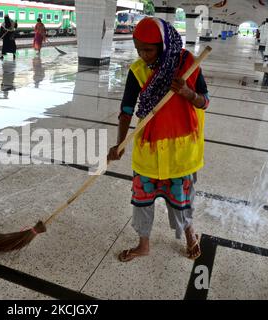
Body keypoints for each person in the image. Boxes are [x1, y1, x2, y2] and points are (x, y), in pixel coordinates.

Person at [107, 17, 210, 262]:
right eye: (138, 48)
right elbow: (126, 110)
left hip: (180, 151)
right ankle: (143, 245)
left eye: (148, 49)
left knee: (181, 199)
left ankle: (189, 234)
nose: (143, 55)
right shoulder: (137, 71)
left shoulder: (189, 67)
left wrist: (187, 92)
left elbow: (205, 102)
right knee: (142, 200)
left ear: (163, 46)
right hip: (149, 151)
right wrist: (120, 143)